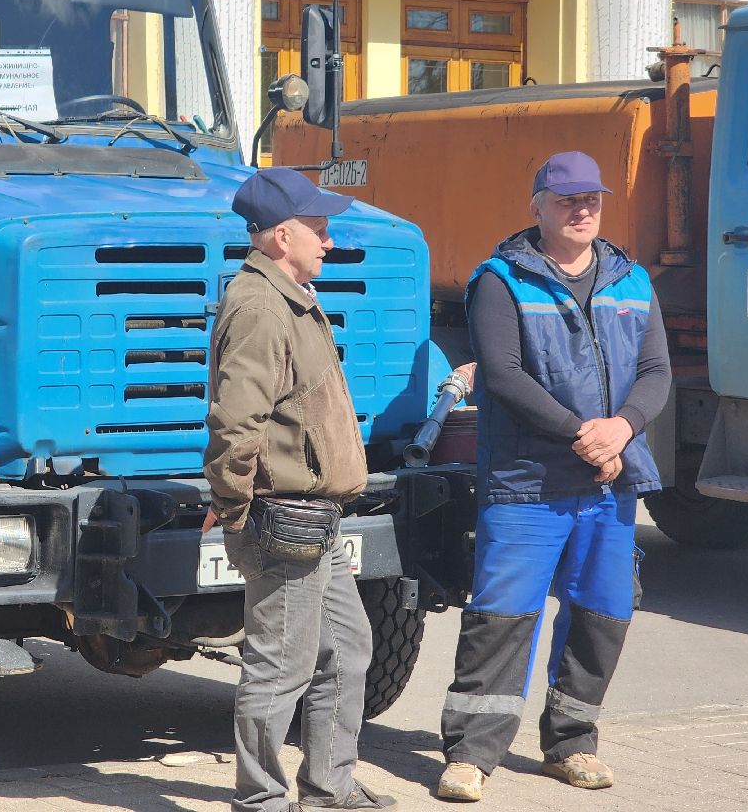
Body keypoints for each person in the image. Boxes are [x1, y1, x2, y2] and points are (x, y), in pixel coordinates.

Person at [436, 151, 671, 802]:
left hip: (610, 479)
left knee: (604, 612)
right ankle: (471, 755)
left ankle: (572, 743)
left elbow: (656, 374)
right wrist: (583, 432)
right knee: (502, 617)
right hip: (527, 482)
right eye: (567, 199)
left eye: (591, 198)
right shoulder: (501, 280)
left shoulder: (631, 280)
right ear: (536, 205)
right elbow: (504, 375)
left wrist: (620, 428)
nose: (582, 209)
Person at [204, 167, 396, 812]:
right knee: (279, 665)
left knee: (346, 648)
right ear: (282, 235)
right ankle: (261, 799)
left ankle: (328, 786)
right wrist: (233, 504)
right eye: (319, 228)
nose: (329, 240)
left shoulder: (291, 296)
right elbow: (238, 419)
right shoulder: (261, 306)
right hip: (284, 516)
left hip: (316, 515)